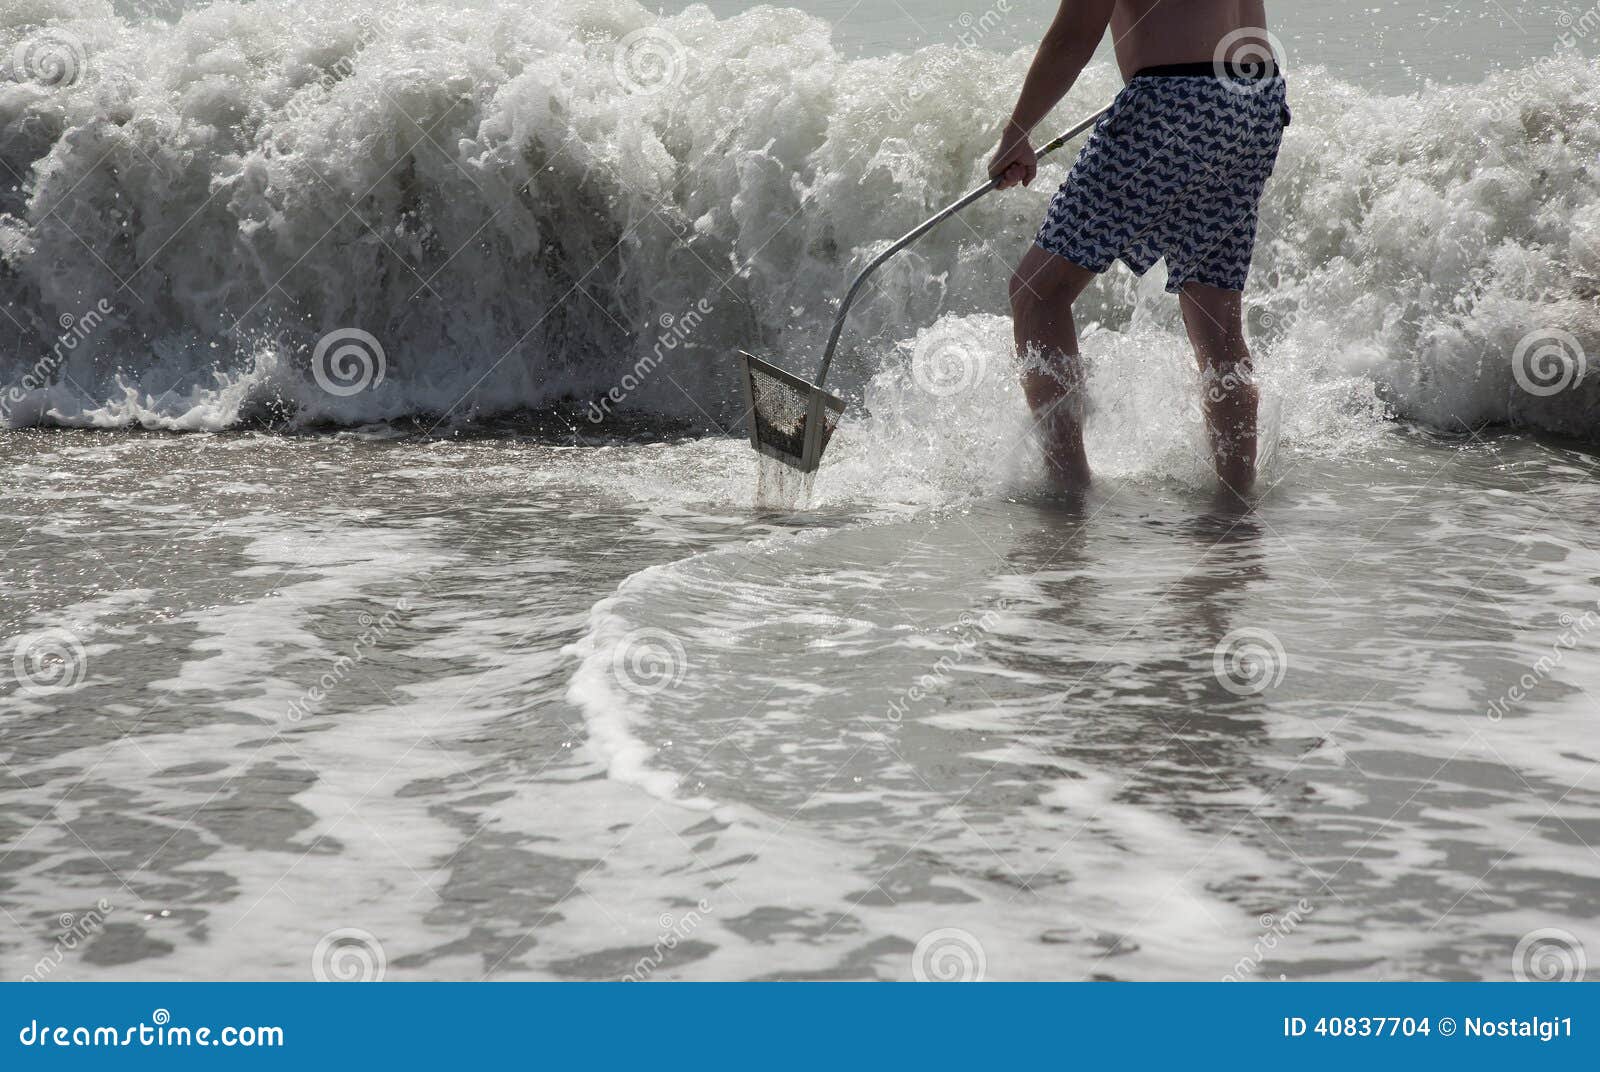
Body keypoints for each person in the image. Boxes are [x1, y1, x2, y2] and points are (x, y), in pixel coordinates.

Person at [989, 1, 1288, 494]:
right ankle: (1235, 499)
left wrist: (1016, 134)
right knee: (1215, 318)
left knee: (1037, 293)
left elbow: (1071, 39)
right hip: (1255, 100)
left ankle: (1068, 490)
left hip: (1174, 100)